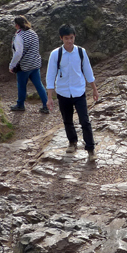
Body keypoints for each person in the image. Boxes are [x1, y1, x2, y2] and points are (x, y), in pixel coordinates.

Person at [46, 24, 99, 159]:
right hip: (63, 92)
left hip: (79, 91)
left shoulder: (81, 52)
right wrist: (49, 97)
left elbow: (88, 71)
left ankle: (91, 149)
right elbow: (50, 75)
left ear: (74, 36)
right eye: (66, 38)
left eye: (71, 37)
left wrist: (94, 89)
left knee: (85, 121)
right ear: (61, 38)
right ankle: (72, 142)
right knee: (67, 120)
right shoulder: (55, 54)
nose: (69, 41)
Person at [9, 15, 48, 114]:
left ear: (17, 25)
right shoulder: (33, 33)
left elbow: (18, 53)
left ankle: (20, 105)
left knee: (22, 85)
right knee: (39, 85)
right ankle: (46, 105)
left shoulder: (19, 36)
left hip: (24, 66)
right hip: (35, 64)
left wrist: (12, 65)